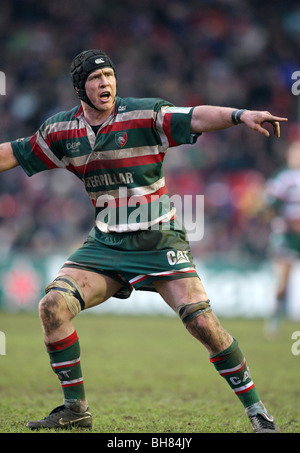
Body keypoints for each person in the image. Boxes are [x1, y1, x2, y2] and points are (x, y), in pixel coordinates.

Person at [0, 49, 287, 433]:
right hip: (106, 244)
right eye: (96, 79)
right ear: (79, 89)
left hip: (158, 240)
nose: (106, 84)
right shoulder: (61, 131)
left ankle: (258, 413)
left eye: (110, 76)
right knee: (52, 306)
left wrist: (241, 116)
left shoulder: (144, 114)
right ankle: (76, 410)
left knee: (202, 323)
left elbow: (196, 115)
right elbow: (15, 154)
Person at [264, 140, 300, 336]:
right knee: (283, 280)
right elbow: (270, 205)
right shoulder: (283, 177)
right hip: (288, 235)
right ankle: (275, 318)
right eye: (295, 153)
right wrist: (283, 224)